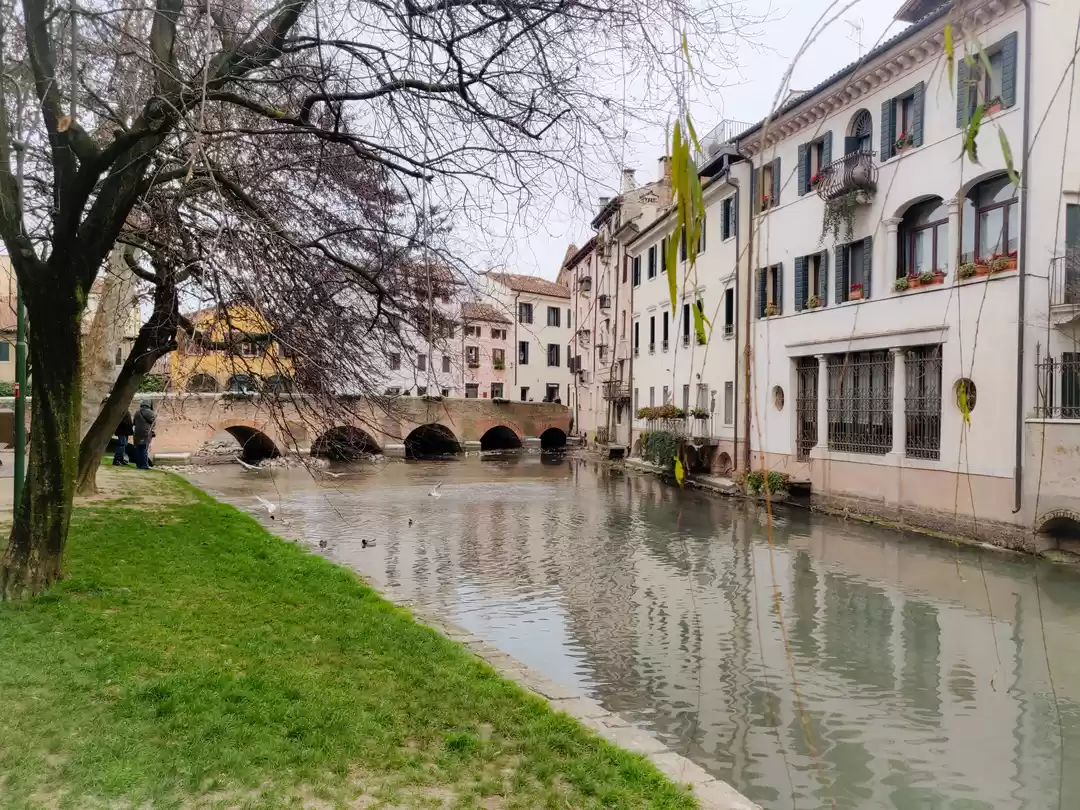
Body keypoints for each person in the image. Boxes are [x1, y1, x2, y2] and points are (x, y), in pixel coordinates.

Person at [132, 399, 156, 469]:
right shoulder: (151, 413)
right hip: (146, 433)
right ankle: (144, 465)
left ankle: (138, 465)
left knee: (138, 449)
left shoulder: (137, 412)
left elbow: (134, 423)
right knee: (144, 449)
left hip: (137, 434)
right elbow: (153, 424)